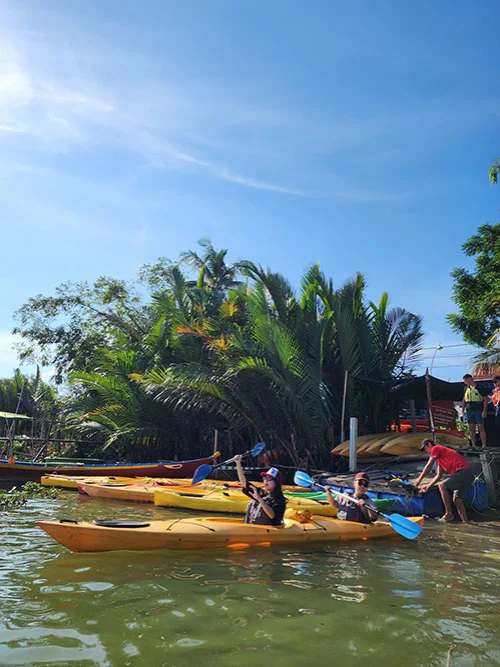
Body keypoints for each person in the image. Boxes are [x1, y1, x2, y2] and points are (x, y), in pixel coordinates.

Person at [415, 438, 475, 523]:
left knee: (442, 485)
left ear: (429, 445)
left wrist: (419, 480)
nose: (427, 452)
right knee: (457, 500)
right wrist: (428, 487)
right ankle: (466, 522)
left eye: (425, 449)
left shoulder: (436, 448)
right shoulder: (440, 460)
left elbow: (428, 466)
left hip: (463, 472)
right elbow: (438, 476)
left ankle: (448, 514)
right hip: (467, 475)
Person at [234, 455, 286, 525]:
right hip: (252, 528)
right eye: (264, 478)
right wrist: (238, 463)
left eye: (269, 479)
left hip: (268, 531)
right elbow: (244, 483)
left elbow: (272, 516)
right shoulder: (262, 493)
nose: (265, 481)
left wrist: (259, 499)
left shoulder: (279, 500)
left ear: (276, 483)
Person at [462, 373, 488, 449]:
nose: (465, 382)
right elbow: (464, 399)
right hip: (469, 409)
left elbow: (485, 399)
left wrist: (484, 410)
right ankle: (473, 445)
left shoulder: (479, 387)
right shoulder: (466, 388)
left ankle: (484, 445)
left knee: (481, 427)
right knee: (471, 427)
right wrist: (463, 410)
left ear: (470, 379)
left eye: (466, 380)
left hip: (478, 408)